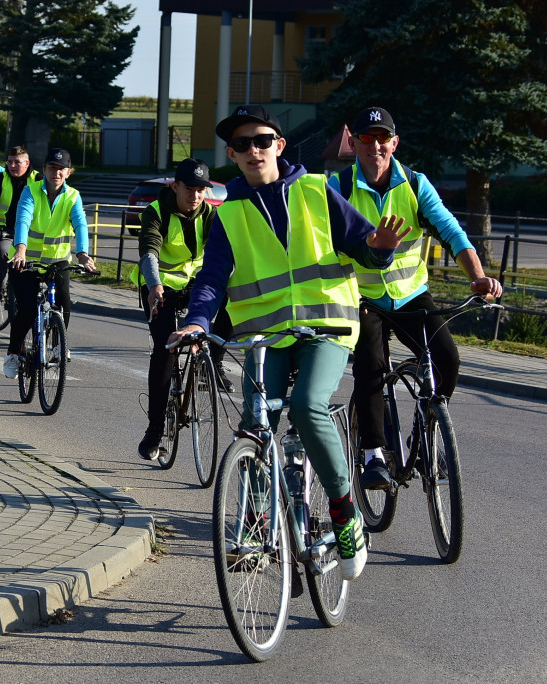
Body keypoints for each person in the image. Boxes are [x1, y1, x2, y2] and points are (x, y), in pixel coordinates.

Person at [170, 104, 411, 580]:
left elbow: (362, 245)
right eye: (242, 144)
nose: (253, 150)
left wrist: (379, 250)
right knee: (255, 423)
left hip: (327, 329)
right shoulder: (228, 213)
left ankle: (345, 514)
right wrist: (198, 321)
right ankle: (259, 527)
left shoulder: (317, 191)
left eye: (262, 141)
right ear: (232, 155)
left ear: (279, 145)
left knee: (306, 404)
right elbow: (212, 280)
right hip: (266, 337)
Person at [331, 106, 502, 489]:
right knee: (370, 366)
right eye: (366, 138)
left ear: (394, 142)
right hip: (362, 299)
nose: (374, 145)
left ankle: (425, 433)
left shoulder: (414, 183)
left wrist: (477, 278)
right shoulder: (337, 189)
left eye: (382, 138)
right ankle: (373, 454)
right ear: (353, 142)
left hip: (410, 295)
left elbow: (452, 233)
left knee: (448, 360)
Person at [132, 158, 235, 461]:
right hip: (159, 288)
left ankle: (212, 363)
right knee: (165, 350)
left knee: (234, 297)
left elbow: (223, 257)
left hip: (195, 286)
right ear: (175, 186)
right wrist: (153, 286)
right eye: (190, 189)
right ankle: (154, 430)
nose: (196, 196)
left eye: (202, 190)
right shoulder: (156, 212)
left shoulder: (211, 215)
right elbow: (149, 253)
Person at [3, 148, 98, 379]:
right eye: (52, 168)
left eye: (61, 169)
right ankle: (14, 352)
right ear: (44, 169)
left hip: (57, 262)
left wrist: (83, 254)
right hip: (26, 262)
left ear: (68, 172)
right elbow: (23, 219)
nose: (57, 173)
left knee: (64, 301)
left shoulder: (73, 196)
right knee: (25, 309)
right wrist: (21, 249)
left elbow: (80, 225)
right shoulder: (31, 191)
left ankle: (58, 345)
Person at [0, 145, 40, 304]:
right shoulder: (0, 178)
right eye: (9, 162)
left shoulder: (38, 180)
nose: (12, 166)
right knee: (0, 250)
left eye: (17, 162)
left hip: (29, 231)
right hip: (3, 231)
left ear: (27, 164)